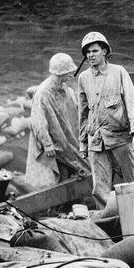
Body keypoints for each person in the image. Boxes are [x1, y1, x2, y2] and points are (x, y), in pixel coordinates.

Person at [78, 31, 134, 208]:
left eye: (94, 51)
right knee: (100, 189)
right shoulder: (83, 78)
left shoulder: (118, 72)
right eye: (87, 52)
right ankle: (109, 227)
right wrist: (83, 143)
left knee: (132, 182)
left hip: (120, 138)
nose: (90, 55)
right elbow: (83, 113)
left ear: (104, 51)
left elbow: (132, 102)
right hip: (96, 141)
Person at [26, 53, 90, 189]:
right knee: (60, 176)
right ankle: (59, 208)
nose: (70, 75)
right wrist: (47, 144)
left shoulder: (64, 88)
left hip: (66, 139)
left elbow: (71, 110)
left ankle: (73, 202)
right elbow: (38, 121)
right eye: (68, 72)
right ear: (61, 73)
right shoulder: (43, 92)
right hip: (54, 144)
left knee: (75, 170)